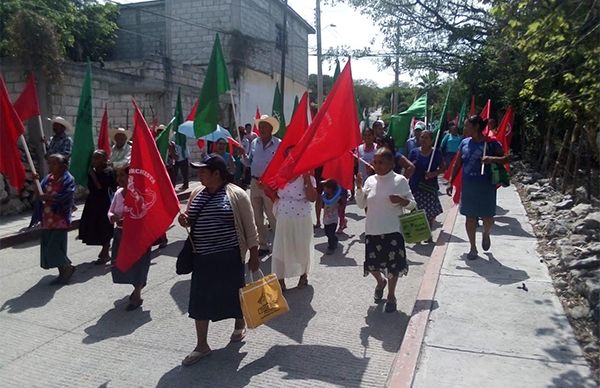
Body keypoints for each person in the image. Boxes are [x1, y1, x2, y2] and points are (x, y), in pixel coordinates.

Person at [178, 154, 259, 366]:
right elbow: (190, 219)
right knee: (199, 301)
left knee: (234, 296)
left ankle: (239, 323)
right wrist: (183, 220)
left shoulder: (237, 195)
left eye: (204, 170)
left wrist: (254, 255)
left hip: (229, 256)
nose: (199, 173)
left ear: (217, 174)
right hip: (202, 258)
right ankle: (201, 346)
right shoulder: (197, 193)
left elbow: (250, 227)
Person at [356, 148, 416, 313]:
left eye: (381, 162)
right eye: (375, 162)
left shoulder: (400, 180)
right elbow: (361, 205)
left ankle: (391, 295)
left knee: (393, 267)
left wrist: (401, 200)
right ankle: (380, 282)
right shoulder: (370, 181)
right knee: (373, 266)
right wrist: (359, 188)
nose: (376, 165)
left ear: (391, 163)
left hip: (393, 231)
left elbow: (412, 204)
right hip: (372, 230)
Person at [447, 115, 509, 260]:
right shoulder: (464, 143)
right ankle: (473, 248)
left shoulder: (492, 143)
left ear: (476, 127)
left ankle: (486, 233)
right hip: (468, 185)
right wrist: (451, 181)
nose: (465, 128)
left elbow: (506, 158)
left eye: (468, 126)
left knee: (488, 217)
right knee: (470, 217)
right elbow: (457, 163)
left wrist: (491, 159)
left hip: (486, 185)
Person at [271, 146, 318, 290]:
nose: (292, 159)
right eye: (289, 156)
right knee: (281, 247)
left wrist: (306, 179)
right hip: (284, 217)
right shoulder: (280, 175)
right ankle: (280, 279)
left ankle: (303, 275)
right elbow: (272, 191)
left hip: (302, 217)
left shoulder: (308, 176)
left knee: (301, 246)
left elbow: (312, 198)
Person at [108, 167, 151, 311]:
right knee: (121, 263)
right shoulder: (118, 193)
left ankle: (137, 295)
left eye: (123, 175)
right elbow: (111, 210)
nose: (119, 178)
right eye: (118, 175)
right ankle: (137, 285)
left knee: (138, 264)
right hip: (120, 234)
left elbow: (144, 213)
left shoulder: (138, 194)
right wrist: (113, 217)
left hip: (137, 236)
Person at [34, 154, 76, 285]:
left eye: (54, 163)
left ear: (63, 166)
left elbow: (66, 196)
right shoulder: (48, 178)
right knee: (48, 245)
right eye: (49, 163)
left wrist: (47, 197)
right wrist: (36, 182)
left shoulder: (68, 179)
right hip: (47, 218)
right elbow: (40, 194)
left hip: (60, 219)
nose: (50, 166)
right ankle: (63, 273)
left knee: (55, 247)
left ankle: (67, 267)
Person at [244, 115, 281, 256]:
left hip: (270, 184)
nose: (261, 129)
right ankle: (263, 245)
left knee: (272, 215)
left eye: (265, 127)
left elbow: (282, 165)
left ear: (271, 129)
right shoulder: (254, 143)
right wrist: (243, 155)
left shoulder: (279, 144)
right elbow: (249, 162)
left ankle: (278, 245)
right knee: (257, 216)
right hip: (255, 183)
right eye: (260, 127)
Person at [78, 150, 116, 265]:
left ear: (104, 159)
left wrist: (93, 175)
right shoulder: (93, 172)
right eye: (93, 158)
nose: (94, 161)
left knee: (105, 227)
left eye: (97, 158)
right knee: (93, 226)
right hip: (93, 202)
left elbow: (101, 187)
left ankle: (105, 250)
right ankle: (105, 252)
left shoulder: (109, 172)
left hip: (104, 203)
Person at [408, 130, 445, 226]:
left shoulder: (436, 153)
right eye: (422, 137)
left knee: (429, 213)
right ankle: (418, 235)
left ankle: (428, 232)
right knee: (416, 212)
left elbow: (443, 168)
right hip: (415, 186)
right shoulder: (413, 152)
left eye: (426, 138)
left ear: (431, 140)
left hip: (429, 187)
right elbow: (408, 167)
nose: (423, 140)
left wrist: (434, 173)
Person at [321, 179, 343, 254]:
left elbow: (341, 203)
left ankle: (331, 247)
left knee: (330, 233)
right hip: (326, 218)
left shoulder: (337, 197)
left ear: (330, 189)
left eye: (326, 187)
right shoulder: (325, 196)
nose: (324, 189)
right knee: (327, 233)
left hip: (333, 219)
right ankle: (335, 239)